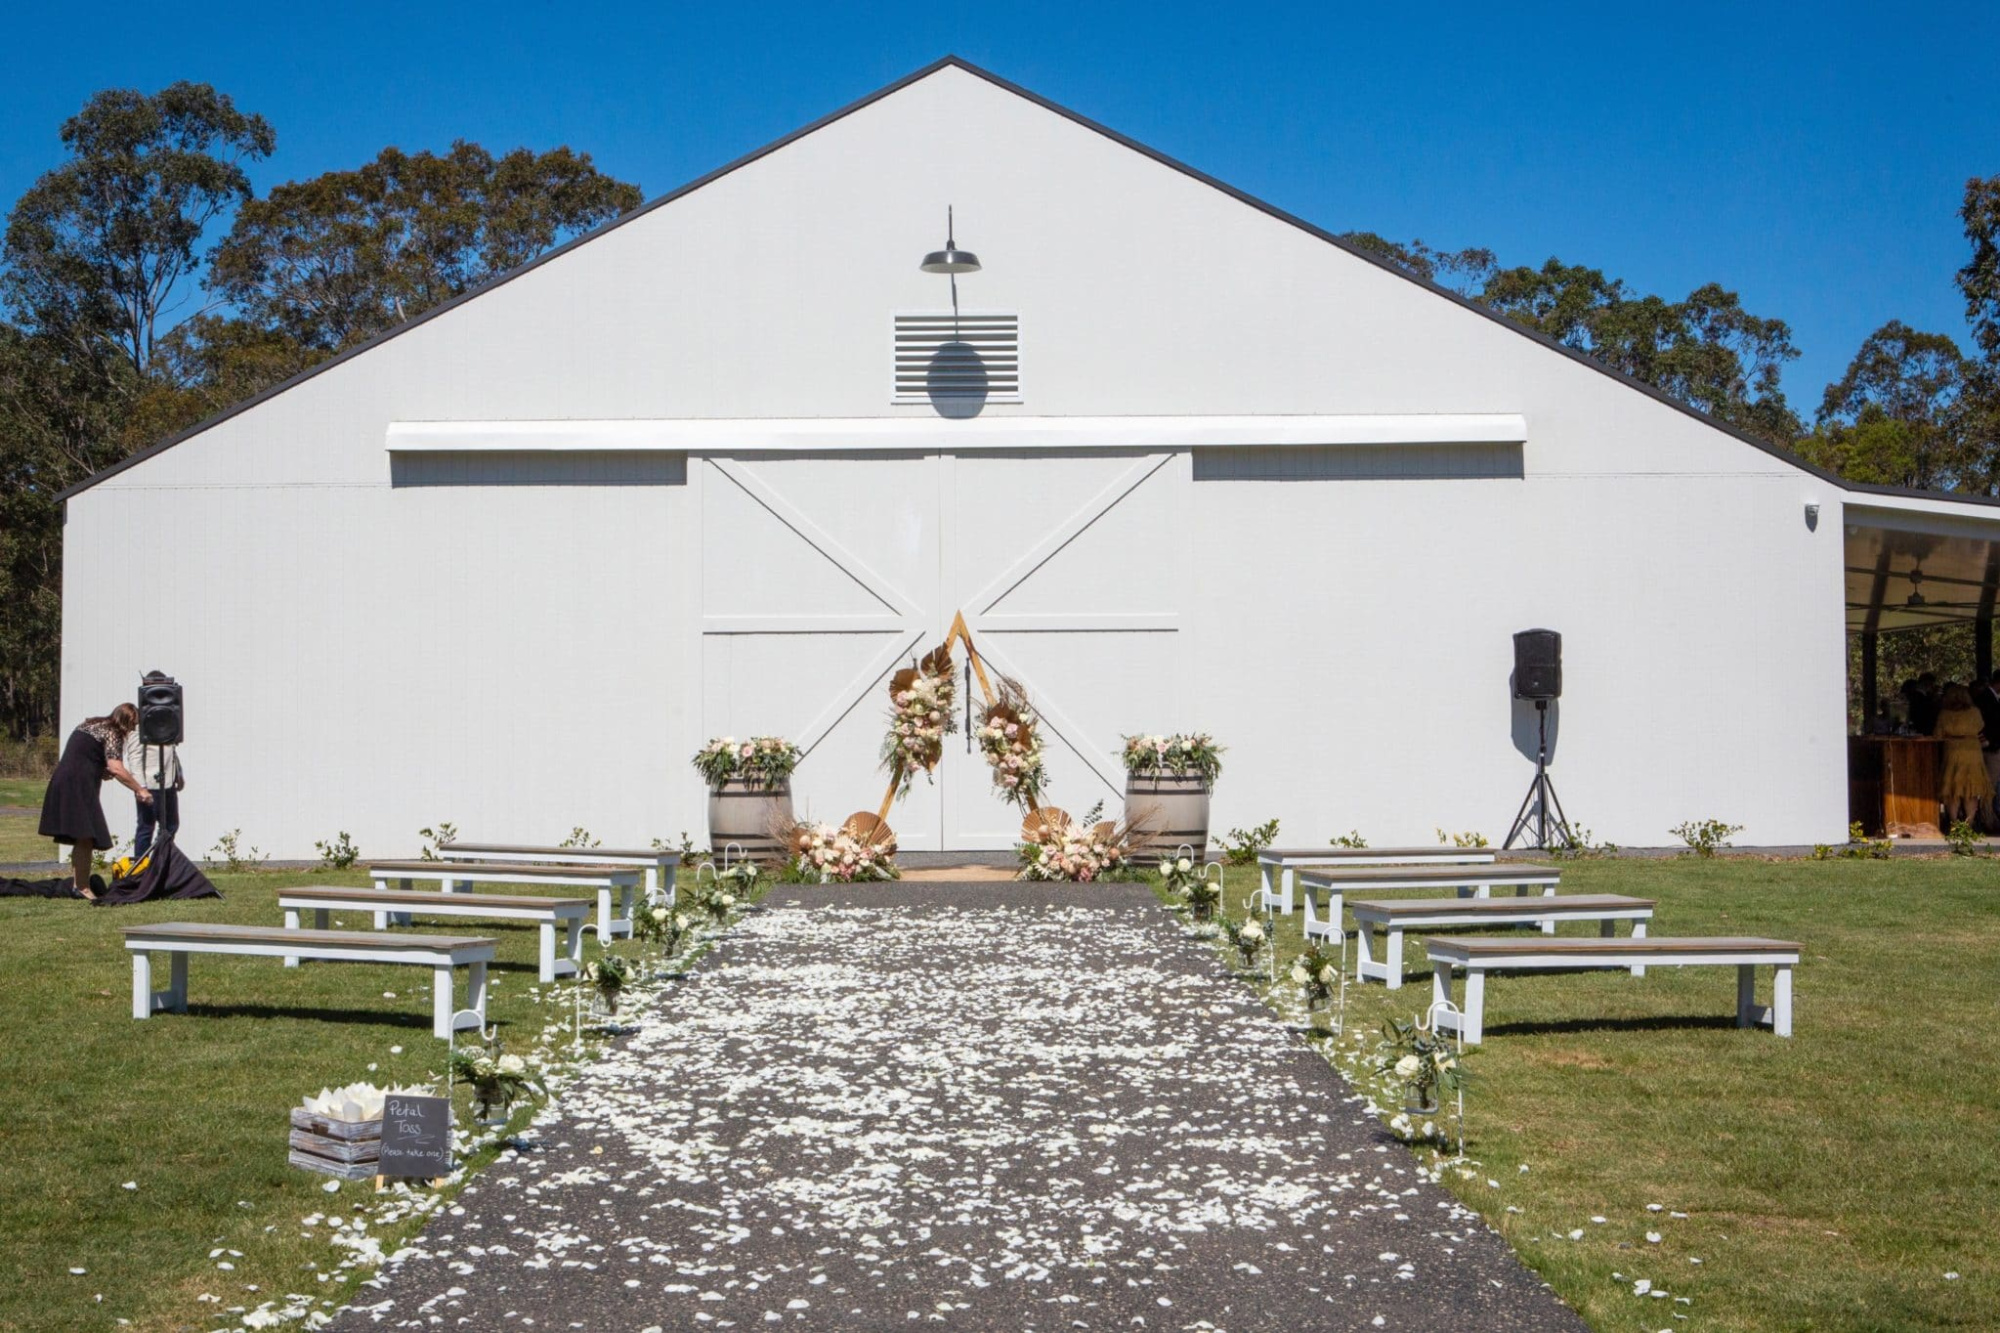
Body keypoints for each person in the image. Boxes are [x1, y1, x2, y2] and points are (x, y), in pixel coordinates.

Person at [38, 703, 149, 899]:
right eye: (132, 726)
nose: (132, 731)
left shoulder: (92, 724)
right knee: (85, 835)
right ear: (126, 722)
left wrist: (100, 769)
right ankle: (82, 888)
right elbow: (116, 768)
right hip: (78, 785)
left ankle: (78, 884)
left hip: (64, 780)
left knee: (83, 836)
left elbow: (84, 754)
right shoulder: (112, 732)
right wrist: (139, 789)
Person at [124, 672, 185, 858]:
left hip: (168, 781)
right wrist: (140, 787)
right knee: (146, 826)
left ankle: (159, 863)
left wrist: (178, 774)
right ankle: (141, 868)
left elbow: (171, 749)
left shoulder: (167, 717)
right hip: (149, 784)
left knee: (171, 825)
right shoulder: (139, 722)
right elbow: (134, 757)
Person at [1933, 683, 1989, 831]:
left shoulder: (1944, 714)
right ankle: (1968, 824)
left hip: (1952, 750)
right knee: (1971, 790)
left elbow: (1937, 735)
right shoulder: (1975, 712)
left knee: (1952, 789)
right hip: (1972, 752)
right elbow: (1980, 727)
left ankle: (1954, 823)